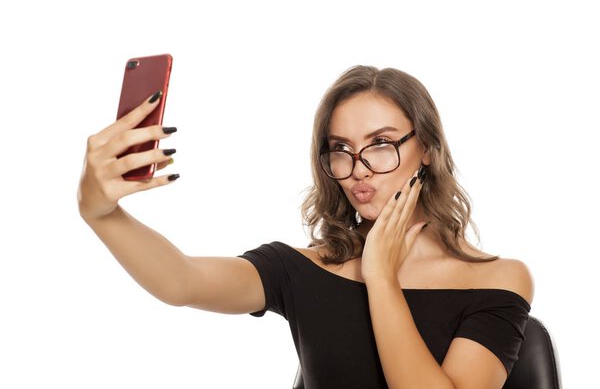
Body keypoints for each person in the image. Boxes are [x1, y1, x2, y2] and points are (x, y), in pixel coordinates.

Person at [78, 65, 534, 388]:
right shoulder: (302, 269)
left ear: (428, 147)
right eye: (341, 148)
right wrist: (100, 213)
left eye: (380, 144)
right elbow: (181, 282)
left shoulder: (497, 279)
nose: (358, 168)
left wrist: (380, 277)